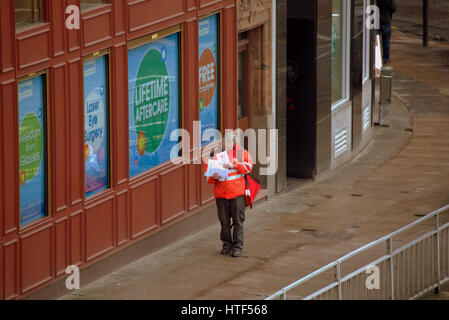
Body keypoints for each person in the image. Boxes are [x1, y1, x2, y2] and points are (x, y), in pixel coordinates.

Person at [204, 132, 253, 257]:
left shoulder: (242, 153)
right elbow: (207, 176)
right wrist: (214, 177)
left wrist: (234, 165)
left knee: (238, 221)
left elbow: (248, 168)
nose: (227, 146)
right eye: (225, 143)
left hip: (237, 194)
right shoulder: (215, 155)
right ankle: (226, 245)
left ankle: (237, 247)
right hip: (222, 195)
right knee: (224, 222)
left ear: (234, 143)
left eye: (230, 143)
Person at [377, 0, 397, 64]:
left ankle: (376, 57)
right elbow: (393, 8)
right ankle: (386, 58)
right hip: (386, 21)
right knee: (386, 41)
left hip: (377, 21)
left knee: (376, 40)